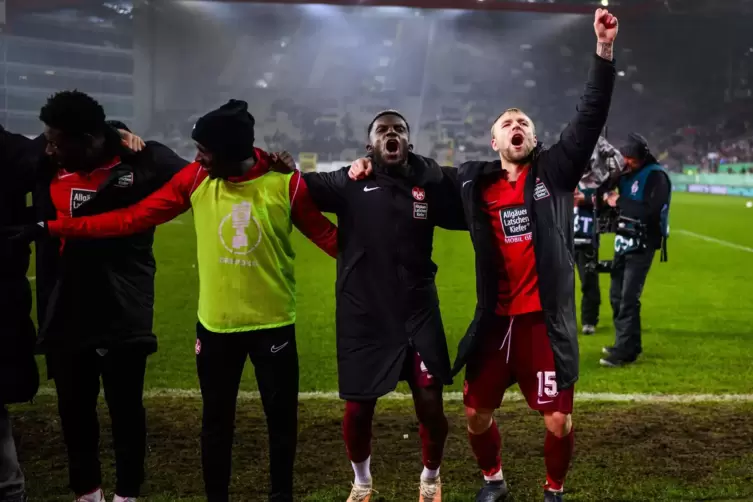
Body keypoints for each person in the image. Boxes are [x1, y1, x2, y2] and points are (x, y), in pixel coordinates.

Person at [348, 8, 617, 502]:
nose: (516, 125)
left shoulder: (555, 173)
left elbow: (590, 115)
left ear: (532, 140)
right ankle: (493, 480)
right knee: (476, 413)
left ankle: (553, 489)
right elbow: (418, 170)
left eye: (524, 122)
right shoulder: (473, 183)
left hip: (542, 323)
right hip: (494, 321)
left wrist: (602, 51)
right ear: (494, 141)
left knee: (558, 419)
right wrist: (368, 161)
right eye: (507, 123)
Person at [23, 100, 339, 502]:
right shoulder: (195, 179)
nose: (197, 157)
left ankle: (282, 496)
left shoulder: (286, 184)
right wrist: (52, 227)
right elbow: (132, 218)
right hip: (215, 328)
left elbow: (328, 238)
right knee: (215, 424)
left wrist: (382, 265)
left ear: (229, 151)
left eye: (205, 151)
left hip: (274, 325)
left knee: (281, 424)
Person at [2, 90, 187, 502]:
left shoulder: (142, 162)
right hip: (64, 309)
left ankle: (127, 493)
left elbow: (205, 178)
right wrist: (117, 128)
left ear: (87, 139)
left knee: (126, 411)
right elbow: (13, 150)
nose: (48, 147)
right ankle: (87, 492)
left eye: (56, 140)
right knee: (74, 411)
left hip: (122, 308)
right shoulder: (45, 164)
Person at [281, 109, 465, 502]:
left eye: (398, 129)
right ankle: (362, 483)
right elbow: (295, 189)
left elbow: (469, 195)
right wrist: (279, 164)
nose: (391, 134)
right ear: (370, 145)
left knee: (431, 405)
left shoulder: (428, 184)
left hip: (418, 312)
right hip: (362, 313)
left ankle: (430, 479)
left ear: (409, 143)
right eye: (382, 131)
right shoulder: (348, 182)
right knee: (359, 409)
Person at [600, 132, 671, 368]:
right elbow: (604, 194)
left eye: (630, 158)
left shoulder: (656, 177)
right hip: (623, 241)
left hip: (643, 243)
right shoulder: (624, 175)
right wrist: (609, 181)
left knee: (628, 297)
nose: (627, 162)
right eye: (625, 157)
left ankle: (625, 351)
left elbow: (650, 211)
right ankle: (628, 344)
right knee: (617, 296)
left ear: (641, 157)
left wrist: (618, 201)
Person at [573, 135, 624, 334]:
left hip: (587, 239)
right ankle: (556, 321)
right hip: (562, 239)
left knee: (589, 282)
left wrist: (584, 200)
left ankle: (589, 321)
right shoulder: (565, 179)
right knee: (556, 284)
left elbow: (604, 201)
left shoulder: (600, 183)